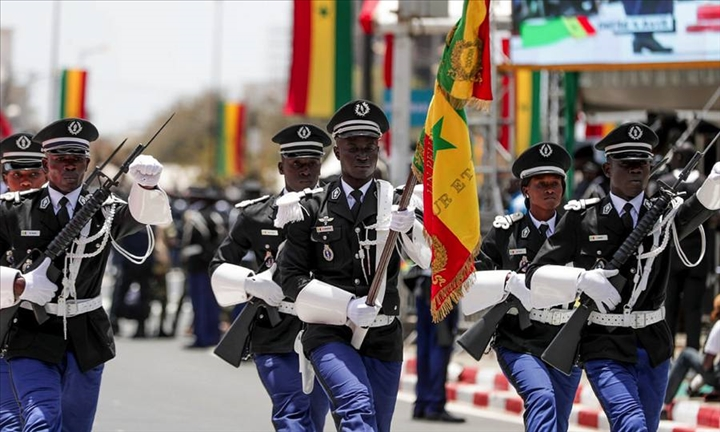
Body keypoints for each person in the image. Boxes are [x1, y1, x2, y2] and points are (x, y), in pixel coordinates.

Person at [525, 122, 720, 431]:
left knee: (646, 425)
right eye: (626, 163)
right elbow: (535, 274)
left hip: (653, 342)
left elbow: (698, 209)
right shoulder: (582, 217)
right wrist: (582, 280)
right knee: (631, 423)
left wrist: (715, 183)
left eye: (641, 163)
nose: (635, 170)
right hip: (604, 343)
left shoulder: (664, 215)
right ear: (607, 168)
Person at [0, 117, 172, 432]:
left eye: (76, 159)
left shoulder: (105, 209)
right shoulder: (13, 209)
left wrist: (147, 187)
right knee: (40, 422)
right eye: (60, 159)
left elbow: (146, 216)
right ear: (45, 162)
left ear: (88, 163)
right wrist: (19, 283)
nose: (69, 166)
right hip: (30, 333)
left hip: (86, 336)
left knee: (75, 427)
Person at [278, 99, 430, 432]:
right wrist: (346, 305)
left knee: (377, 425)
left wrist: (413, 228)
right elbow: (290, 277)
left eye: (369, 146)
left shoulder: (397, 200)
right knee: (356, 407)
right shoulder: (310, 205)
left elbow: (427, 260)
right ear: (337, 149)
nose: (362, 154)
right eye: (353, 146)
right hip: (329, 331)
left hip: (384, 333)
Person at [209, 123, 332, 431]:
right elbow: (220, 264)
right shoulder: (256, 215)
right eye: (296, 164)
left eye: (312, 163)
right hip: (274, 329)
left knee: (315, 418)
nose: (304, 171)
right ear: (281, 166)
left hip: (325, 326)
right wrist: (251, 283)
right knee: (291, 412)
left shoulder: (336, 211)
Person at [462, 142, 581, 431]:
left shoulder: (578, 228)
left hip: (566, 338)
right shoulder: (507, 232)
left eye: (555, 183)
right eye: (541, 184)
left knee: (558, 419)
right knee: (541, 398)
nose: (550, 189)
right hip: (520, 339)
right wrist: (507, 283)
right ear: (525, 189)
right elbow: (472, 279)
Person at [0, 132, 47, 431]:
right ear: (5, 178)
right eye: (18, 175)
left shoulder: (61, 215)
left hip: (44, 339)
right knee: (8, 419)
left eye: (34, 174)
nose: (26, 182)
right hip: (4, 331)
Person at [656, 142, 709, 351]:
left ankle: (667, 353)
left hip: (670, 254)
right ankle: (692, 352)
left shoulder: (666, 182)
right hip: (698, 255)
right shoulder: (705, 184)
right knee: (694, 309)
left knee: (669, 307)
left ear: (678, 158)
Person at [404, 264, 465, 423]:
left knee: (424, 348)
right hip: (442, 284)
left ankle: (422, 403)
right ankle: (434, 404)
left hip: (423, 284)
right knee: (440, 345)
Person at [180, 188, 226, 348]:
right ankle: (212, 335)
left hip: (198, 265)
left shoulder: (196, 217)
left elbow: (192, 244)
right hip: (213, 265)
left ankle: (202, 337)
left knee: (200, 302)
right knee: (211, 302)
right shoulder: (216, 215)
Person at [663, 294, 720, 418]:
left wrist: (695, 384)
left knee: (686, 354)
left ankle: (664, 402)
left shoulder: (718, 327)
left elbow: (706, 365)